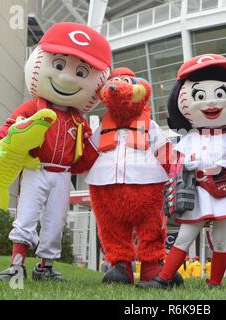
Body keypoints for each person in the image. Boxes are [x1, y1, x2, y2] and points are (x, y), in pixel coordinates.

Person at [0, 22, 111, 281]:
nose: (67, 78)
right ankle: (16, 264)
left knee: (56, 221)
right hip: (36, 168)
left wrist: (104, 140)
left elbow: (87, 155)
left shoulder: (79, 122)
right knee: (26, 215)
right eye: (58, 66)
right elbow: (10, 127)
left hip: (63, 175)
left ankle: (45, 266)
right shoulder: (34, 107)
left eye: (81, 73)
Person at [137, 54, 226, 289]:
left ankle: (215, 283)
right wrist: (185, 165)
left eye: (220, 94)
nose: (210, 103)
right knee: (184, 236)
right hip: (198, 192)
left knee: (221, 241)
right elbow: (174, 161)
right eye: (200, 96)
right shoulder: (188, 139)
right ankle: (163, 278)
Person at [85, 67, 181, 285]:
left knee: (152, 226)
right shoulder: (102, 128)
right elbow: (88, 153)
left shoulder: (150, 126)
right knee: (112, 229)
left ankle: (152, 265)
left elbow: (165, 151)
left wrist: (177, 172)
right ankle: (120, 266)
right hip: (105, 185)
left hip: (147, 185)